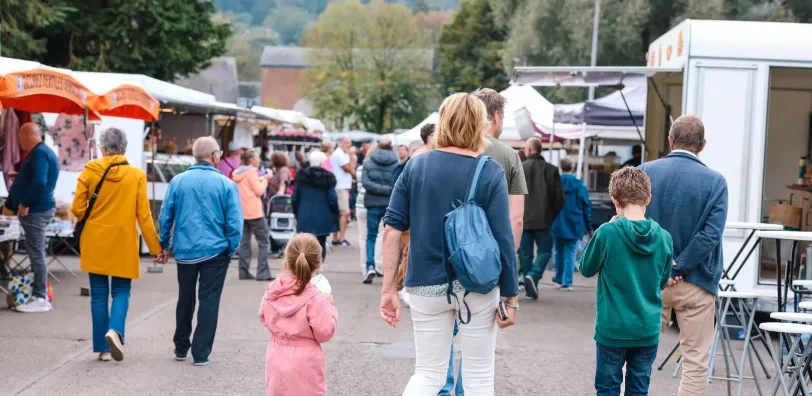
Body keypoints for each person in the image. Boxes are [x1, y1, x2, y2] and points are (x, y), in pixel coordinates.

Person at [380, 93, 519, 395]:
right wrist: (510, 295)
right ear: (479, 125)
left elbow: (392, 230)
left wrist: (389, 288)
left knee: (428, 373)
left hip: (425, 284)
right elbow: (503, 237)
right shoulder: (490, 171)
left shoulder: (415, 167)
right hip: (477, 285)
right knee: (479, 374)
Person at [639, 115, 728, 396]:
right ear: (702, 145)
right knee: (695, 361)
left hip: (649, 281)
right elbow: (710, 236)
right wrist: (679, 267)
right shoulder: (716, 182)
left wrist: (663, 267)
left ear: (670, 140)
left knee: (638, 355)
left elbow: (634, 227)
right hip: (697, 281)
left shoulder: (644, 173)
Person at [70, 127, 165, 361]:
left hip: (95, 240)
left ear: (102, 148)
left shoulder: (90, 170)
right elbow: (144, 216)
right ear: (124, 148)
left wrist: (90, 218)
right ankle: (115, 330)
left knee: (99, 294)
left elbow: (77, 208)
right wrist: (156, 248)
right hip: (124, 241)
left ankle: (102, 348)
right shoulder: (137, 176)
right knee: (122, 291)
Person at [579, 166, 673, 396]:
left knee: (607, 388)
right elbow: (661, 282)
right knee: (639, 388)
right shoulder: (664, 237)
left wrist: (607, 226)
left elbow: (586, 268)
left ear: (614, 200)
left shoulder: (607, 233)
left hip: (613, 327)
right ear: (648, 198)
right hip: (647, 327)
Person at [159, 136, 243, 366]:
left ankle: (180, 346)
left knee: (185, 298)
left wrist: (163, 245)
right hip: (217, 251)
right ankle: (201, 352)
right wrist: (232, 247)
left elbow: (166, 216)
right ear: (215, 156)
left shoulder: (178, 182)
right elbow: (235, 222)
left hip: (185, 250)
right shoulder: (226, 184)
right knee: (209, 300)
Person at [259, 233, 338, 396]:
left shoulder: (273, 290)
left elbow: (263, 315)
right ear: (317, 265)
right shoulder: (315, 298)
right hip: (306, 360)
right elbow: (324, 332)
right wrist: (330, 308)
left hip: (276, 354)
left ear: (286, 261)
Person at [4, 122, 59, 313]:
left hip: (36, 210)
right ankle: (39, 295)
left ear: (28, 135)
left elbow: (40, 181)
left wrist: (25, 203)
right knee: (37, 253)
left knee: (36, 254)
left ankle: (40, 297)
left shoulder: (40, 153)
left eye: (20, 137)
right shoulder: (42, 152)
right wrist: (20, 177)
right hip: (38, 208)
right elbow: (37, 178)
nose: (19, 141)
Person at [393, 123, 435, 308]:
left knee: (409, 249)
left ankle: (403, 285)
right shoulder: (420, 156)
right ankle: (402, 286)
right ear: (430, 136)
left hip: (417, 211)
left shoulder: (424, 155)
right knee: (407, 250)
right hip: (414, 212)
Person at [520, 137, 565, 300]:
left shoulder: (520, 168)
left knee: (525, 254)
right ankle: (534, 275)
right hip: (544, 220)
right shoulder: (551, 170)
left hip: (523, 219)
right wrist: (551, 214)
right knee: (545, 251)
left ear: (530, 150)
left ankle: (530, 281)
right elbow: (559, 198)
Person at [361, 136, 399, 284]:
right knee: (389, 237)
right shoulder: (396, 163)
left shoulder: (369, 162)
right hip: (390, 203)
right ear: (391, 146)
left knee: (371, 236)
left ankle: (370, 265)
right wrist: (387, 190)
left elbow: (366, 183)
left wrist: (379, 189)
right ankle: (388, 269)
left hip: (373, 202)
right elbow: (397, 184)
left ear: (378, 146)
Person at [233, 148, 274, 281]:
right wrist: (266, 179)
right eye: (257, 157)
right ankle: (262, 272)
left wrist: (260, 178)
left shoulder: (237, 173)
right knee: (263, 241)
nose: (259, 159)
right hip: (254, 211)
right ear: (251, 160)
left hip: (241, 211)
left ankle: (243, 272)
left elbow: (249, 185)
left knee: (244, 242)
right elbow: (258, 191)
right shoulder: (252, 171)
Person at [551, 157, 592, 291]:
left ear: (561, 167)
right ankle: (567, 282)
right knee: (570, 252)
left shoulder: (555, 183)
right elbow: (586, 205)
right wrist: (589, 226)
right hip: (575, 222)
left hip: (557, 221)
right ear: (572, 167)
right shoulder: (579, 184)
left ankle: (558, 278)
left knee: (558, 251)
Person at [292, 151, 339, 261]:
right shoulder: (328, 178)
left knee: (304, 246)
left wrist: (297, 213)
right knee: (321, 243)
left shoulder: (301, 177)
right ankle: (319, 272)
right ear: (322, 162)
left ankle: (305, 271)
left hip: (304, 214)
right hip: (323, 215)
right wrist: (334, 213)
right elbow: (332, 199)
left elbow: (294, 198)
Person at [329, 136, 354, 247]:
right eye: (346, 143)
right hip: (341, 187)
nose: (348, 145)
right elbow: (348, 169)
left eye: (349, 143)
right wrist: (352, 158)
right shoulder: (340, 154)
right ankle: (341, 238)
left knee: (338, 213)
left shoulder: (339, 154)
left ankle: (336, 237)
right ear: (340, 143)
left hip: (340, 186)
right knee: (344, 213)